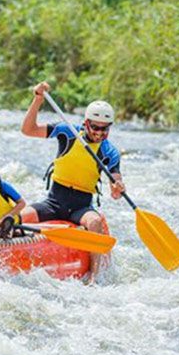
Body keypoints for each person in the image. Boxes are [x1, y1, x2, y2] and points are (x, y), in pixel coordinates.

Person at [20, 81, 126, 282]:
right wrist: (38, 99)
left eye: (105, 129)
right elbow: (28, 129)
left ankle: (94, 277)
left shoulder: (109, 152)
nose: (99, 133)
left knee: (94, 221)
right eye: (95, 127)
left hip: (81, 207)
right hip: (53, 202)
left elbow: (115, 189)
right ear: (86, 123)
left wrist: (118, 187)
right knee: (19, 217)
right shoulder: (67, 132)